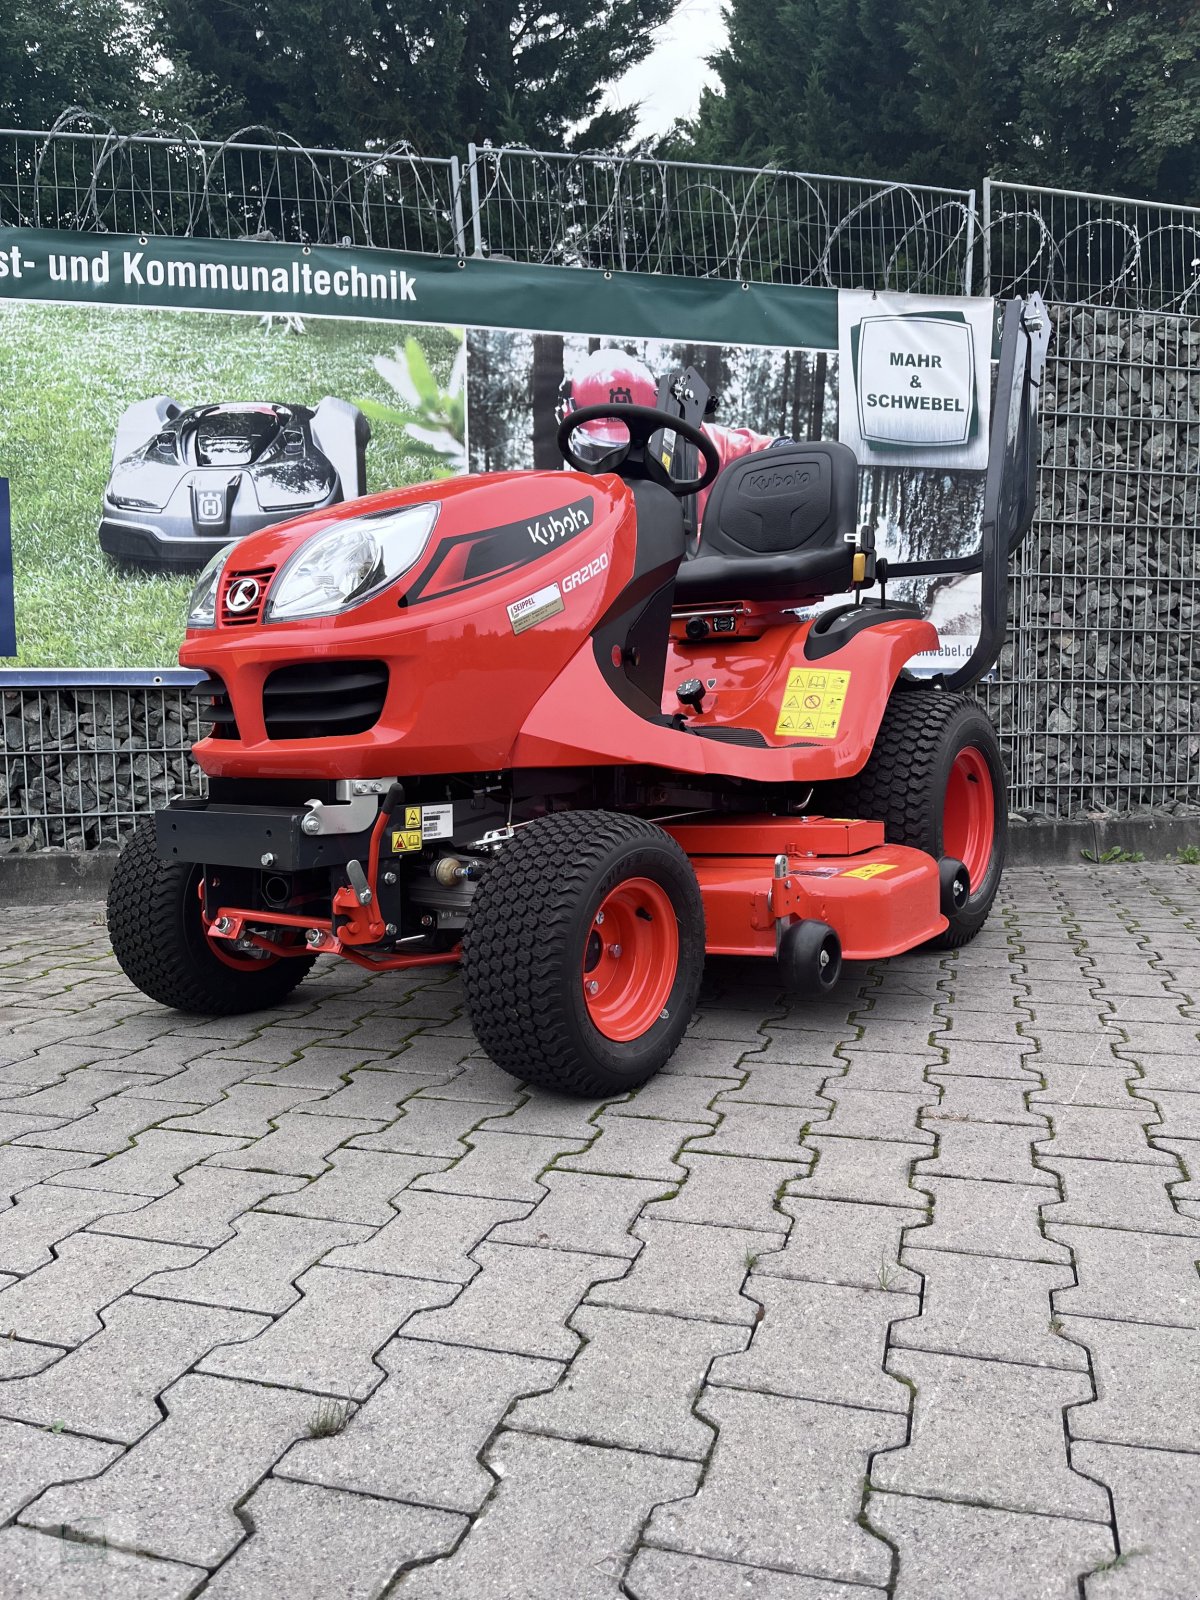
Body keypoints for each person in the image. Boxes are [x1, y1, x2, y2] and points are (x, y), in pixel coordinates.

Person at [558, 349, 787, 523]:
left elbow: (773, 451)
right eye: (604, 451)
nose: (625, 461)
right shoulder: (565, 501)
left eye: (636, 444)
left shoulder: (696, 446)